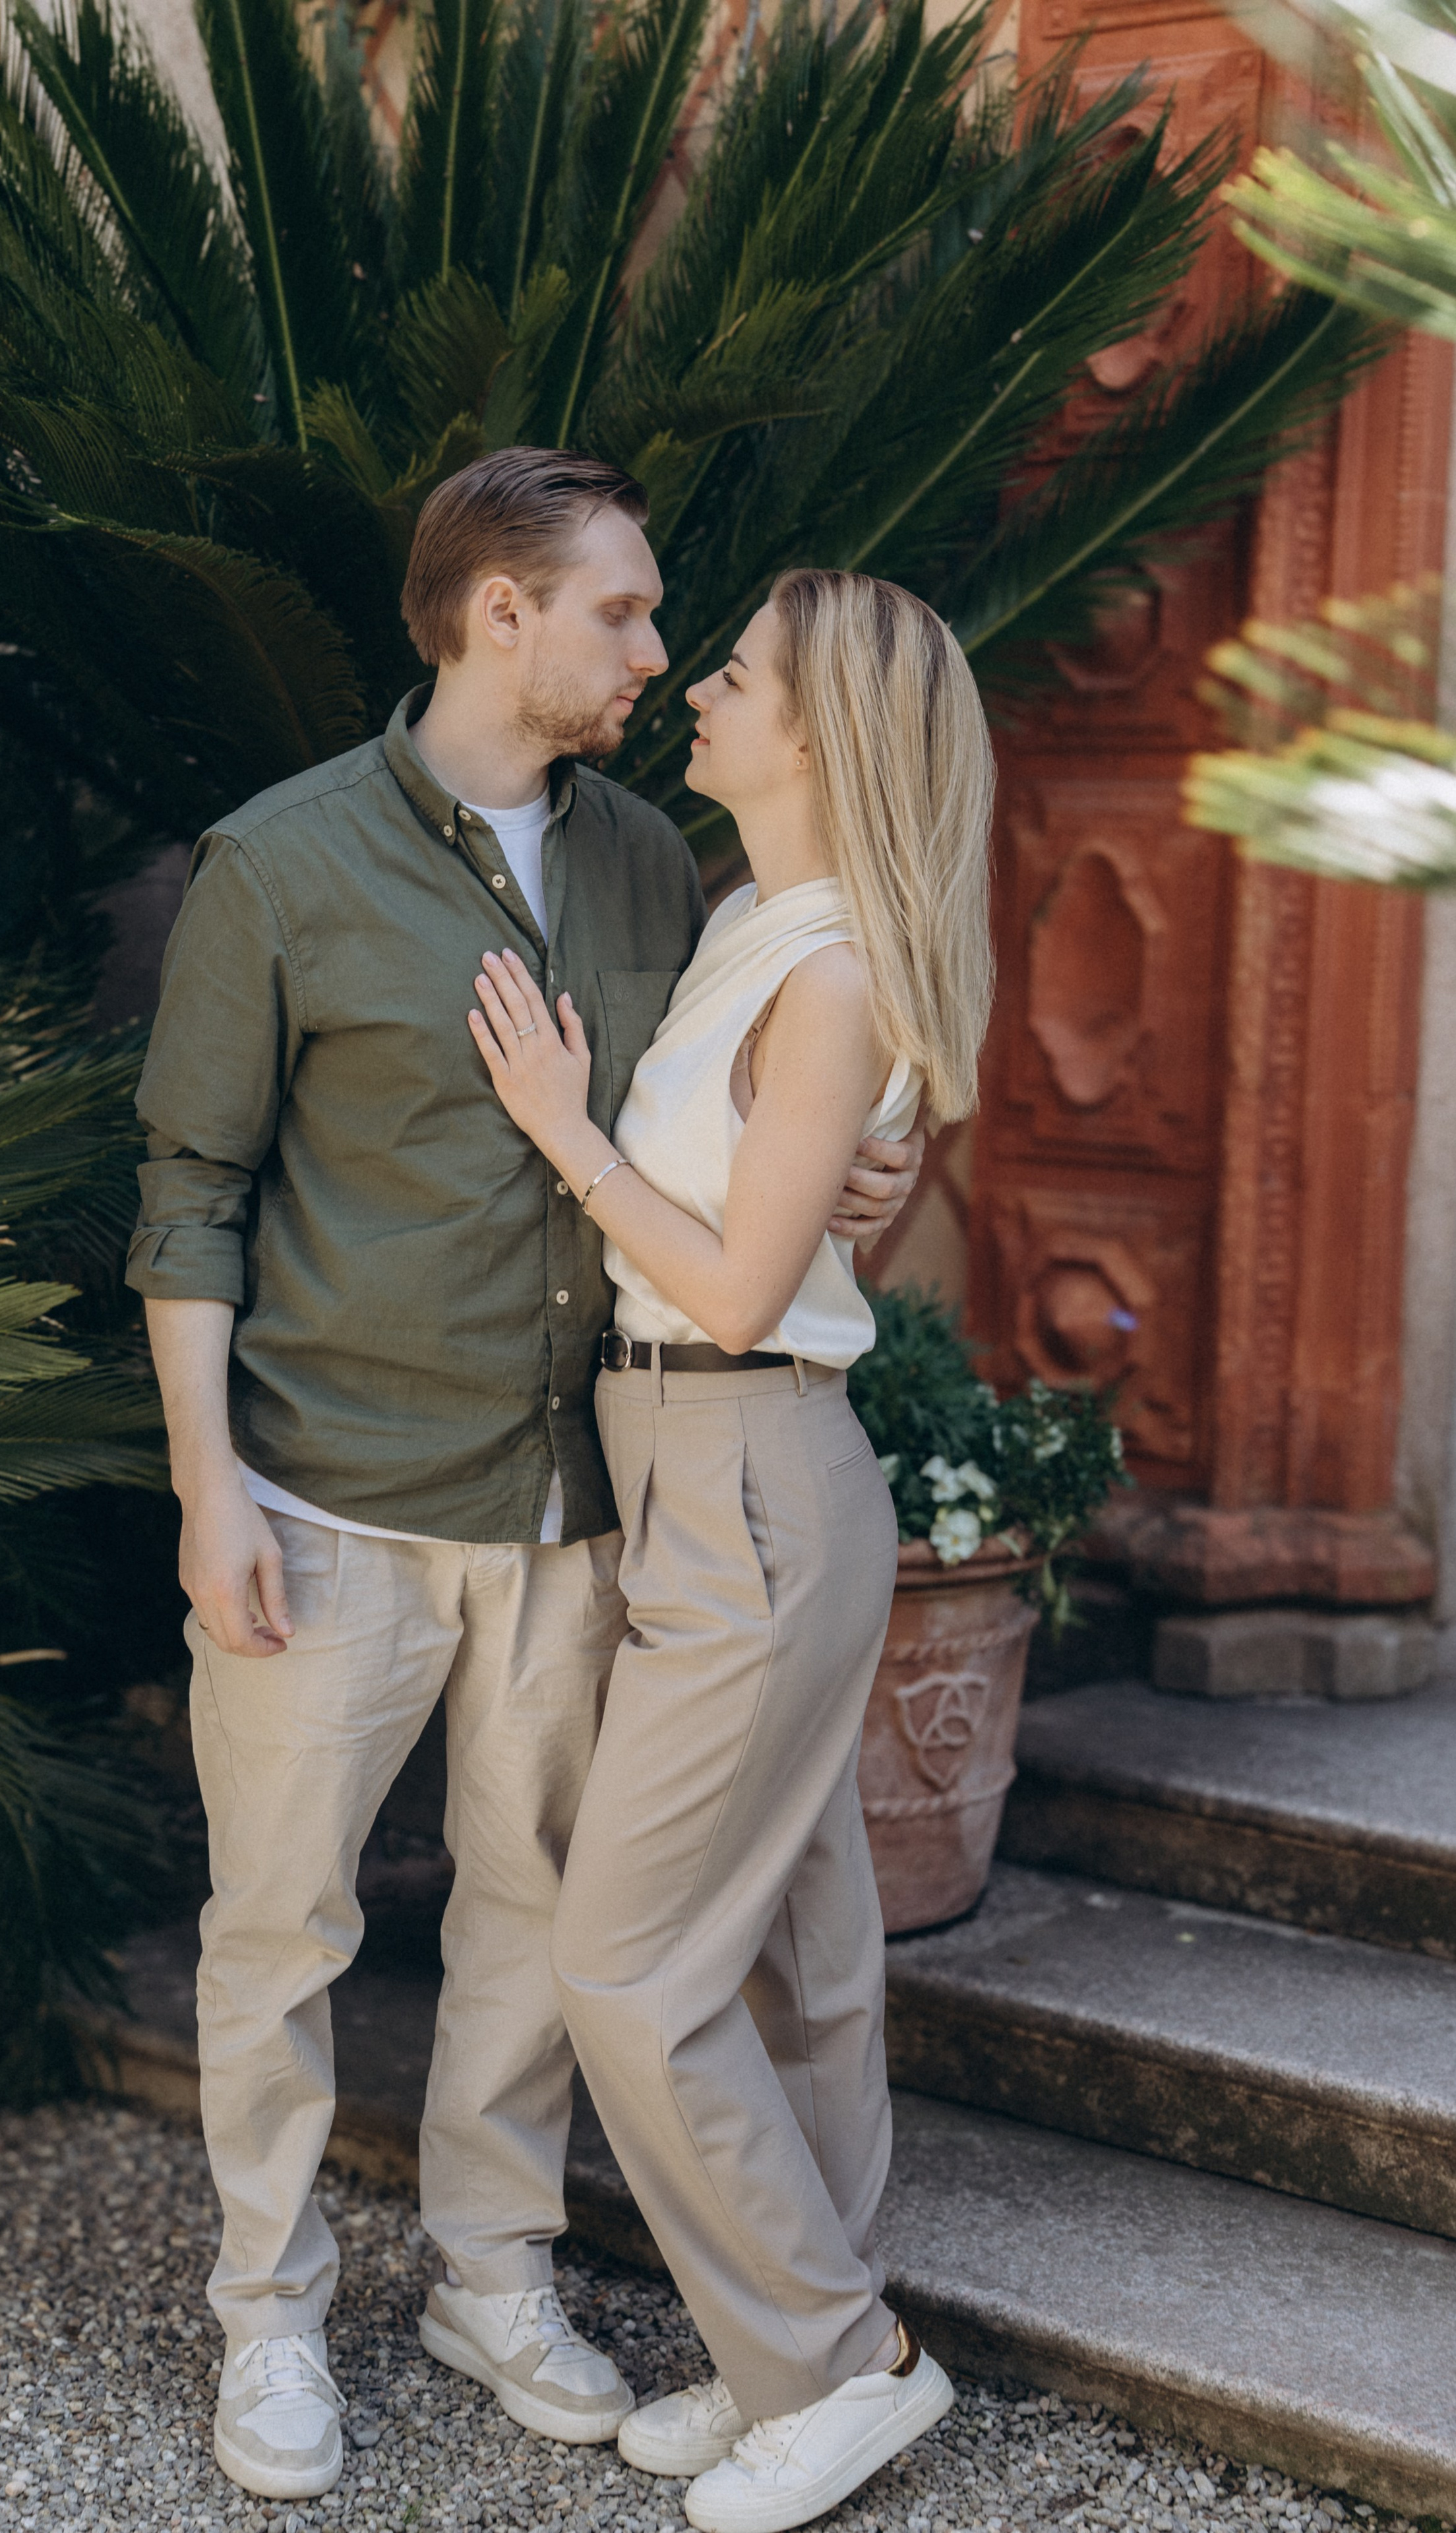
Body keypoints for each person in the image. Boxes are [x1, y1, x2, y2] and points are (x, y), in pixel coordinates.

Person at [125, 449, 925, 2507]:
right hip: (328, 1496)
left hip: (585, 1503)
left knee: (537, 1921)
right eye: (625, 613)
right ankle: (270, 2316)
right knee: (279, 1926)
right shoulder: (280, 863)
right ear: (504, 614)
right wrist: (209, 1487)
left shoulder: (664, 867)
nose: (658, 652)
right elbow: (194, 1193)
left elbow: (743, 1138)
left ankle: (492, 2276)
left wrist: (868, 1174)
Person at [464, 567, 994, 2533]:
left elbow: (751, 1282)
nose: (701, 685)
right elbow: (794, 1191)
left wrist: (564, 1126)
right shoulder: (756, 925)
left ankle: (841, 2367)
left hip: (745, 1461)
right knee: (793, 1950)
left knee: (625, 1961)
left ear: (824, 731)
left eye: (742, 672)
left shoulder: (826, 969)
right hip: (709, 1463)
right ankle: (793, 2341)